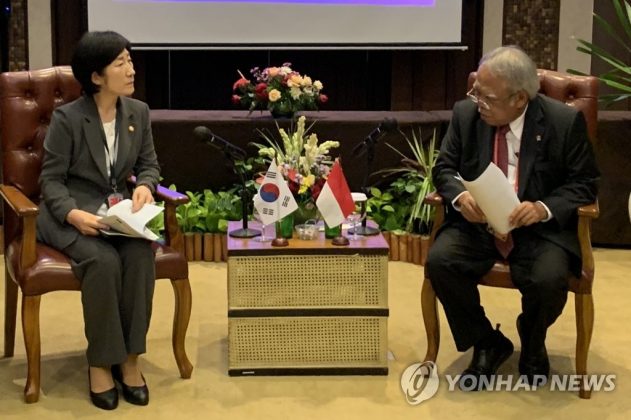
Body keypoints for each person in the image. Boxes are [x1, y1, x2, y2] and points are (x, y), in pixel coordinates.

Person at [425, 46, 599, 389]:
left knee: (549, 280)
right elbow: (444, 168)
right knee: (440, 262)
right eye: (476, 93)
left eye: (487, 97)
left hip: (538, 230)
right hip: (478, 226)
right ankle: (487, 341)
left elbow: (585, 183)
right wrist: (461, 197)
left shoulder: (563, 122)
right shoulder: (466, 114)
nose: (478, 102)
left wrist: (543, 208)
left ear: (520, 99)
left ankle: (532, 341)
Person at [37, 31, 160, 410]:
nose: (131, 69)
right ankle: (101, 363)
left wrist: (146, 187)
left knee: (140, 256)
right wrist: (73, 214)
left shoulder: (138, 112)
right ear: (96, 76)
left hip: (115, 215)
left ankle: (130, 359)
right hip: (69, 213)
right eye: (120, 63)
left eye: (130, 60)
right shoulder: (68, 119)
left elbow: (149, 165)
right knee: (103, 262)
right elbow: (50, 181)